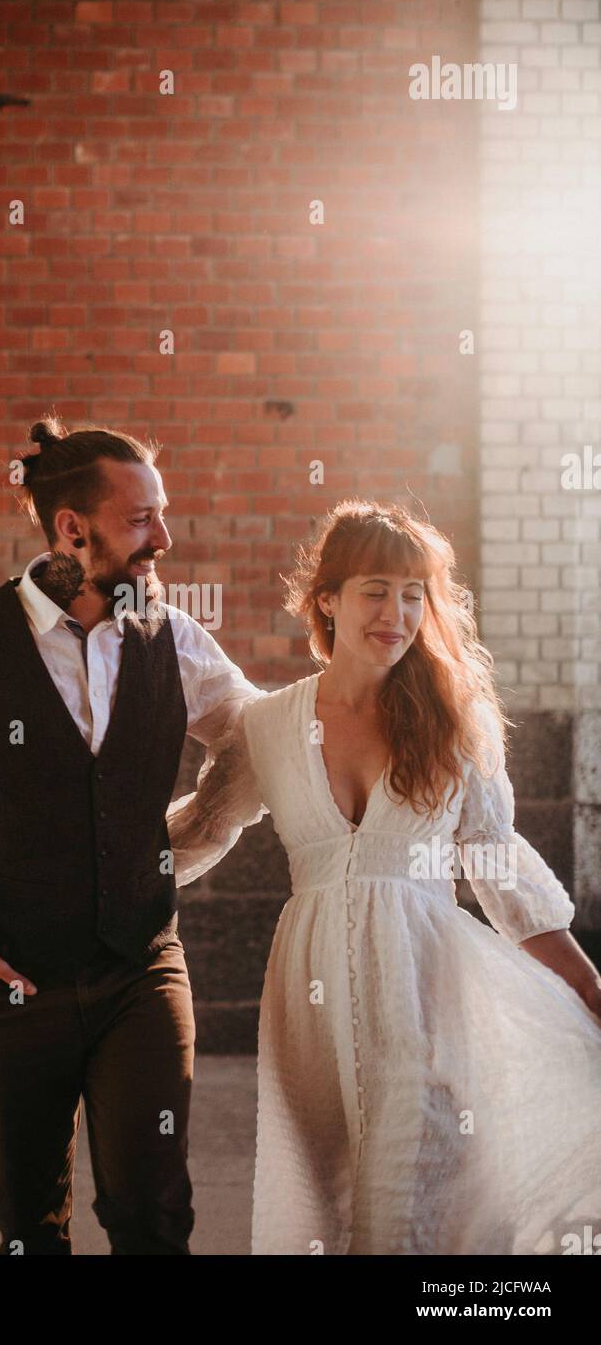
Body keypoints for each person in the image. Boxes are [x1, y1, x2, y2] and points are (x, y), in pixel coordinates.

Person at [0, 412, 266, 1255]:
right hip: (10, 978)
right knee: (29, 1226)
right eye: (142, 519)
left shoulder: (176, 639)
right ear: (72, 528)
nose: (165, 539)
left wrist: (179, 845)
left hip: (140, 967)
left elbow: (259, 746)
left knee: (154, 1214)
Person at [166, 498, 601, 1255]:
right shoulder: (267, 726)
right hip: (311, 999)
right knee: (327, 1203)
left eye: (413, 594)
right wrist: (87, 885)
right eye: (376, 590)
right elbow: (205, 828)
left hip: (426, 989)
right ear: (325, 599)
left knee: (403, 1197)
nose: (396, 613)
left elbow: (497, 862)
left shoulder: (453, 718)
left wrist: (586, 985)